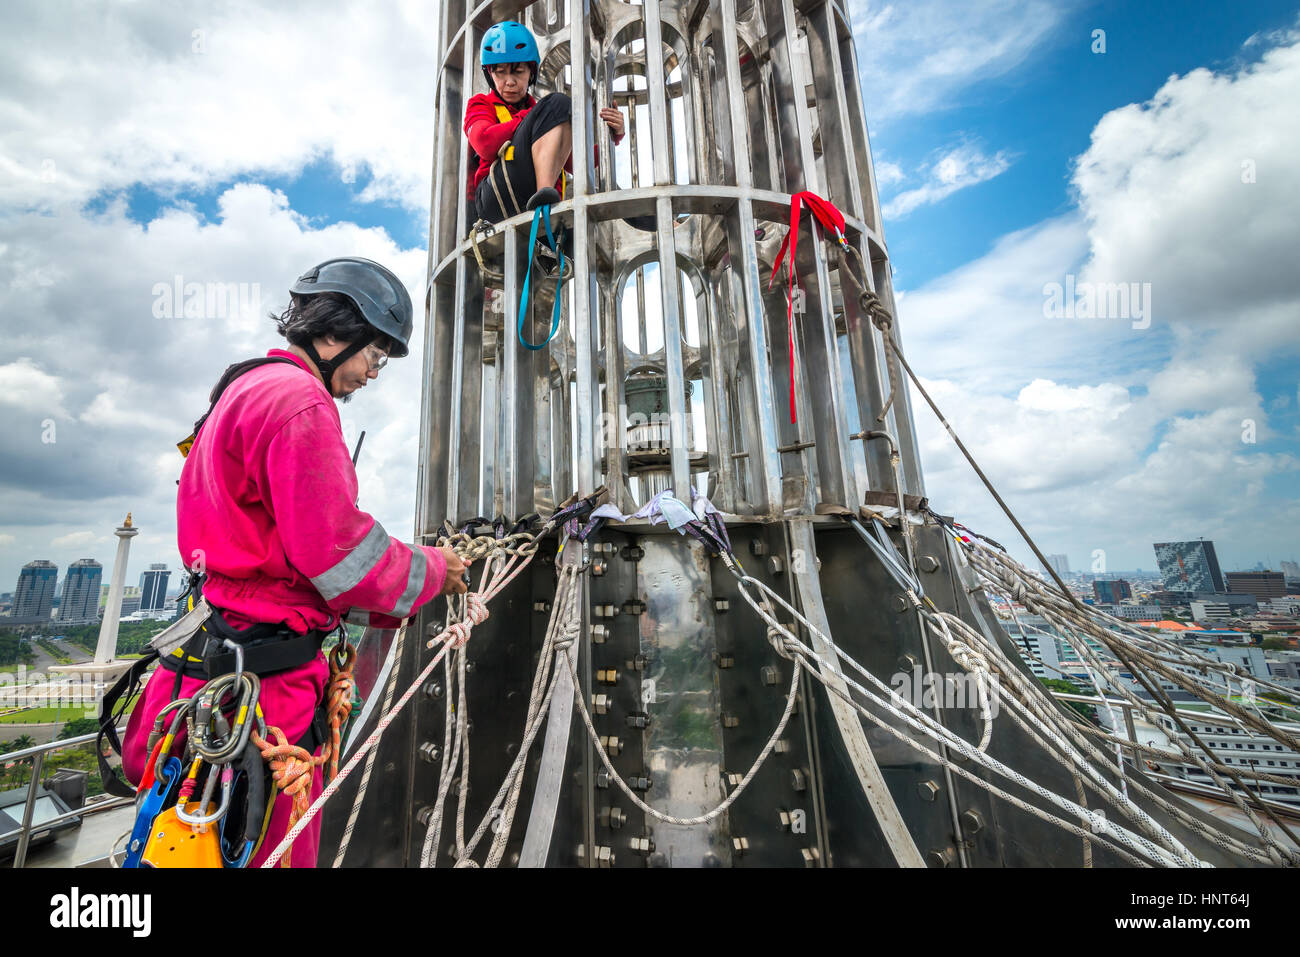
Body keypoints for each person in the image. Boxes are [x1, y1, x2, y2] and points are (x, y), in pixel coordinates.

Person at [120, 257, 469, 867]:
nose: (372, 373)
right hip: (268, 685)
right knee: (268, 848)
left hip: (210, 663)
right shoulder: (301, 405)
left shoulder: (242, 386)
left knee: (189, 836)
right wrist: (435, 569)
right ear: (336, 332)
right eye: (374, 355)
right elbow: (339, 555)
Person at [465, 20, 625, 224]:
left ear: (531, 72)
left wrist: (611, 137)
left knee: (605, 191)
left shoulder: (545, 116)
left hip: (527, 197)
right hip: (496, 195)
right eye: (500, 72)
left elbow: (574, 164)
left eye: (518, 71)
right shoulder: (481, 103)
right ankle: (545, 197)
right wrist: (528, 117)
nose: (510, 81)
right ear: (490, 74)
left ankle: (664, 223)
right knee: (558, 103)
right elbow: (484, 142)